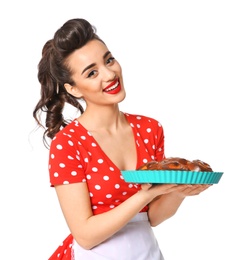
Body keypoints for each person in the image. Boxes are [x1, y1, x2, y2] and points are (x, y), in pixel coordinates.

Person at [33, 18, 211, 260]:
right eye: (92, 72)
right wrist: (145, 195)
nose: (109, 74)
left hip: (146, 252)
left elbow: (152, 217)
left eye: (109, 60)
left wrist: (178, 191)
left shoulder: (150, 128)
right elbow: (84, 235)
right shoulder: (68, 143)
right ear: (74, 89)